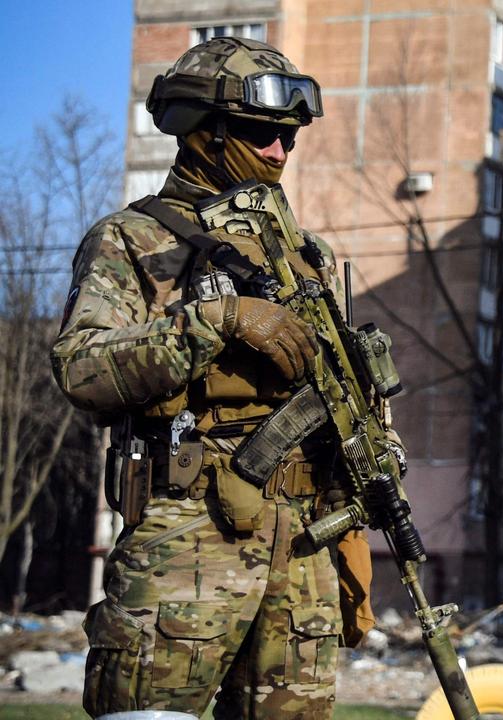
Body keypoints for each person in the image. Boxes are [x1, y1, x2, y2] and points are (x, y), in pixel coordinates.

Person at [51, 37, 371, 720]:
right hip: (188, 538)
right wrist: (214, 321)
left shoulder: (309, 258)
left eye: (289, 135)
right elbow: (80, 368)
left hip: (304, 549)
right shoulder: (134, 239)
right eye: (262, 132)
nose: (281, 151)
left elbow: (345, 391)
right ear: (204, 129)